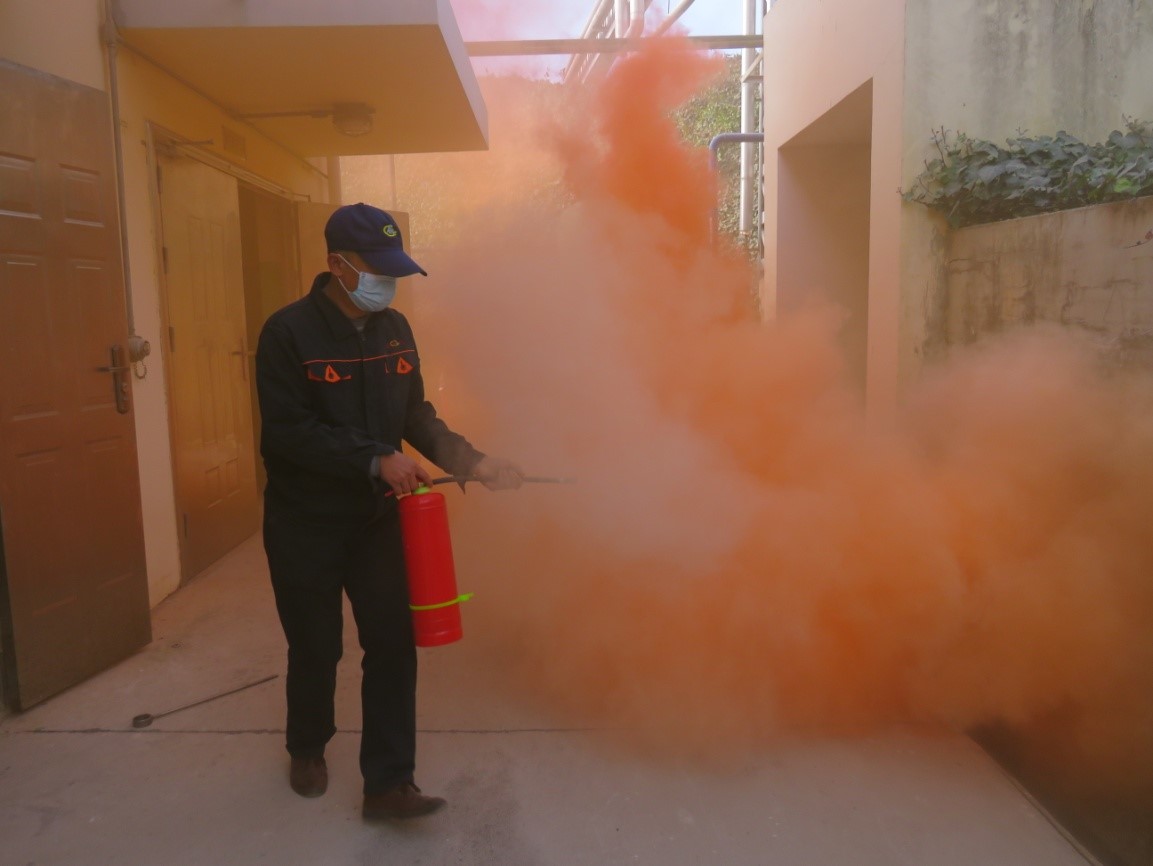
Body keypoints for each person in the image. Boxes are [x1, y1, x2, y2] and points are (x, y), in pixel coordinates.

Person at [256, 202, 522, 820]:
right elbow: (288, 433)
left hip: (376, 520)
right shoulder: (287, 333)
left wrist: (472, 461)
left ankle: (389, 782)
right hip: (306, 522)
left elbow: (415, 415)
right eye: (376, 270)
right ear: (337, 265)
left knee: (393, 642)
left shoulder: (395, 328)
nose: (387, 282)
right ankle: (307, 747)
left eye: (393, 270)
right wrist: (376, 459)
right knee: (316, 645)